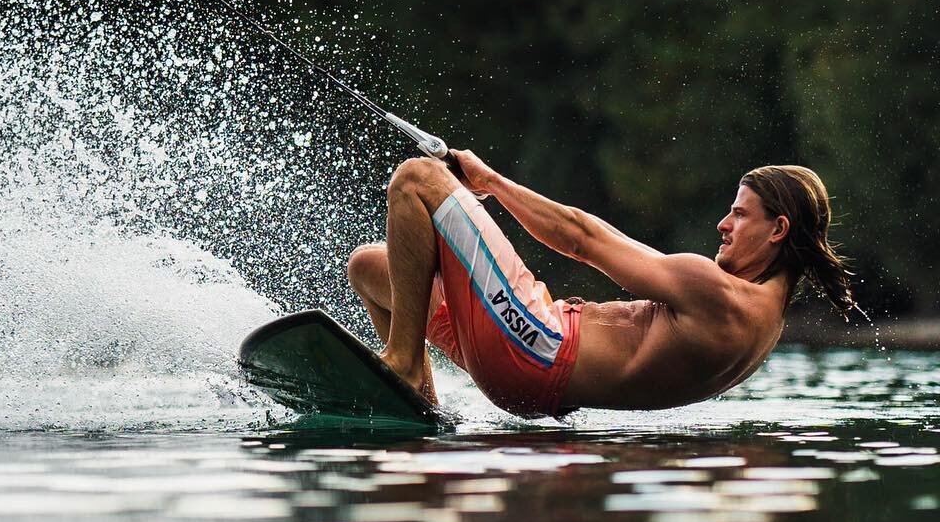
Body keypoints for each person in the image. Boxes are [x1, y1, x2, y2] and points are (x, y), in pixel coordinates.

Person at [347, 152, 856, 416]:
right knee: (371, 269)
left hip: (536, 347)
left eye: (739, 214)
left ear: (778, 229)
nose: (723, 225)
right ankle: (421, 397)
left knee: (418, 178)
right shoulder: (763, 327)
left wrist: (492, 183)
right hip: (534, 383)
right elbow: (612, 240)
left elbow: (581, 236)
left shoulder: (719, 293)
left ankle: (405, 365)